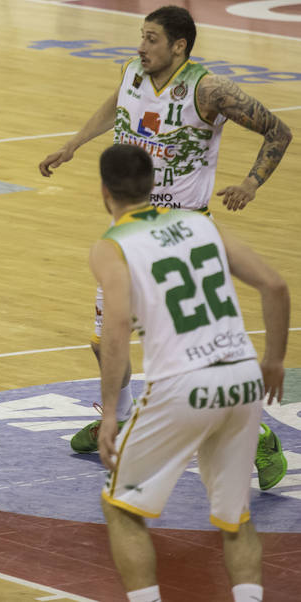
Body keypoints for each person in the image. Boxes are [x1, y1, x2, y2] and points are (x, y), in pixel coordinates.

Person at [38, 5, 292, 489]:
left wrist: (252, 183)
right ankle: (125, 417)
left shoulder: (209, 89)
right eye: (141, 36)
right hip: (133, 229)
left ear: (179, 45)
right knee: (102, 337)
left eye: (151, 39)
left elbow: (278, 131)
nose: (141, 46)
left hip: (183, 234)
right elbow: (118, 103)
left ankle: (256, 434)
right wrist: (73, 145)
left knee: (190, 359)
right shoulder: (134, 71)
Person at [92, 143, 288, 602]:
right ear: (152, 185)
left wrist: (108, 415)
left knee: (121, 508)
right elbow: (275, 285)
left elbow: (116, 328)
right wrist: (273, 360)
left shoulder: (111, 246)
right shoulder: (202, 224)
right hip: (242, 377)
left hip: (184, 382)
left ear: (104, 191)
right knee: (236, 517)